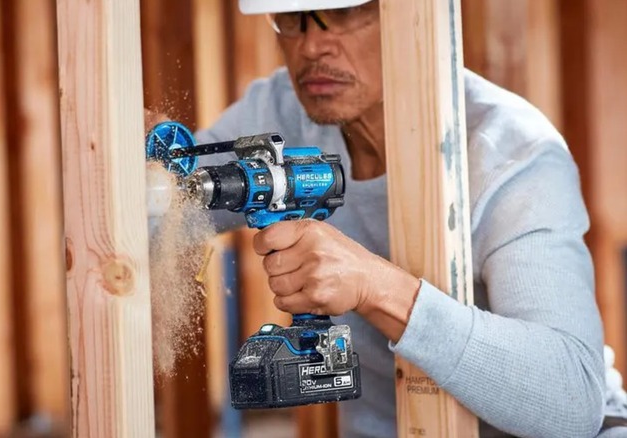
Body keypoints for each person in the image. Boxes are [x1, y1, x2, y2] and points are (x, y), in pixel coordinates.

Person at [149, 1, 626, 436]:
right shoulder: (281, 111)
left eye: (344, 12)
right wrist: (137, 184)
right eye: (293, 19)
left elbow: (571, 401)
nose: (312, 44)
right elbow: (171, 207)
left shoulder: (511, 153)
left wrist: (377, 287)